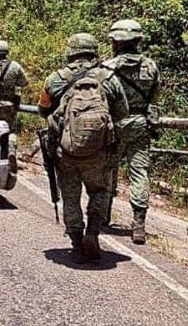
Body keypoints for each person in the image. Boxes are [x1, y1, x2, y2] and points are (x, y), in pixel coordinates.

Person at [38, 33, 128, 263]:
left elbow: (43, 109)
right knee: (99, 192)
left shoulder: (55, 79)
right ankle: (93, 232)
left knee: (70, 196)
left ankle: (77, 243)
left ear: (70, 51)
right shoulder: (109, 78)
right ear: (93, 52)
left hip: (65, 151)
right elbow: (122, 114)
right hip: (99, 152)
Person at [102, 19, 161, 243]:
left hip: (115, 125)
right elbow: (154, 101)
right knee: (139, 173)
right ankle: (138, 224)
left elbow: (103, 101)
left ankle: (103, 215)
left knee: (108, 170)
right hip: (140, 125)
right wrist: (152, 125)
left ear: (117, 42)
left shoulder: (108, 67)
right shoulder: (151, 67)